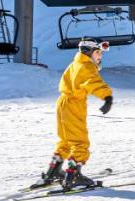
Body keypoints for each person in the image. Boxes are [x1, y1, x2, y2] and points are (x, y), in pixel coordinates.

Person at [34, 39, 114, 191]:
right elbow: (93, 82)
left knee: (66, 140)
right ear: (88, 52)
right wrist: (107, 97)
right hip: (74, 104)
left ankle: (54, 171)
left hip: (63, 102)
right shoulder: (87, 66)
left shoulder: (76, 63)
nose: (100, 56)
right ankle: (73, 175)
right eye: (98, 52)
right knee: (80, 142)